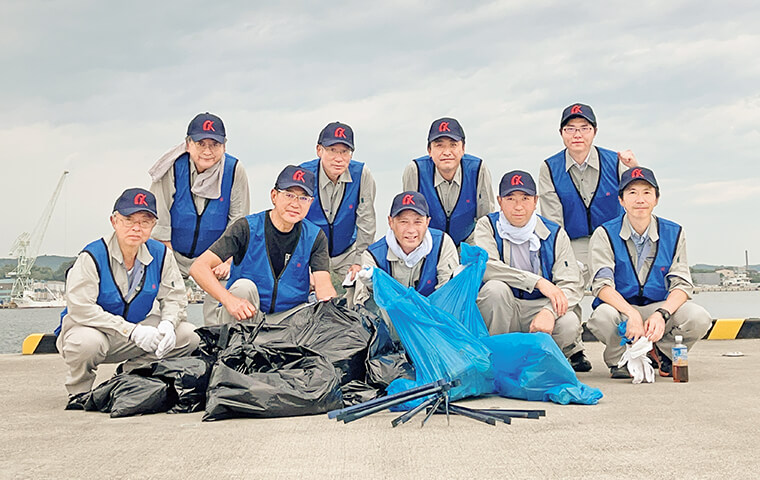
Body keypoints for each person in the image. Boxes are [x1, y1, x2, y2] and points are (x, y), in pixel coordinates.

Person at [56, 188, 199, 401]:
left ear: (153, 226)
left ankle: (127, 375)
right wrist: (131, 331)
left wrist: (168, 323)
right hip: (96, 331)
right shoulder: (92, 255)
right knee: (86, 343)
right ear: (114, 221)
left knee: (189, 335)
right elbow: (81, 308)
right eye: (128, 219)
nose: (136, 227)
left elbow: (174, 297)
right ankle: (79, 392)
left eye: (144, 221)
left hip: (135, 331)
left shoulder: (161, 255)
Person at [586, 167, 712, 378]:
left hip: (658, 306)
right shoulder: (604, 233)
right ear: (621, 200)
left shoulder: (674, 232)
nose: (640, 199)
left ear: (656, 198)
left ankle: (662, 352)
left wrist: (662, 314)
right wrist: (631, 313)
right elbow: (601, 285)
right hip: (622, 308)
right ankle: (620, 360)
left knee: (699, 317)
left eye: (646, 192)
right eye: (632, 192)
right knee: (601, 317)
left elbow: (681, 285)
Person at [473, 171, 592, 372]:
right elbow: (488, 267)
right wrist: (537, 282)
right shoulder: (488, 226)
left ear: (536, 201)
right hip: (507, 307)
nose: (518, 206)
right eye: (511, 199)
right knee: (494, 289)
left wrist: (549, 311)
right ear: (500, 201)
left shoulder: (554, 233)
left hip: (538, 308)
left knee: (569, 321)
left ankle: (537, 364)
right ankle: (497, 361)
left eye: (525, 198)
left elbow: (572, 283)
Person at [190, 165, 336, 324]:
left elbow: (324, 287)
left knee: (319, 312)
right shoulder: (246, 227)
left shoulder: (315, 236)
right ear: (274, 196)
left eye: (303, 198)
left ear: (310, 202)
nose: (295, 204)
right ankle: (234, 345)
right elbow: (198, 268)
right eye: (289, 195)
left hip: (289, 317)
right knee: (243, 288)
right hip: (249, 312)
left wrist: (338, 316)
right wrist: (229, 300)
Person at [149, 112, 250, 325]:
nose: (207, 151)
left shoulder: (234, 171)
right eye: (200, 143)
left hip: (214, 256)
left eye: (214, 144)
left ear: (224, 145)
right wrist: (168, 260)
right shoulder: (172, 168)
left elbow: (238, 221)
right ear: (188, 144)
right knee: (164, 305)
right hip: (173, 250)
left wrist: (227, 258)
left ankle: (219, 348)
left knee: (221, 306)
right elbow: (159, 217)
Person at [538, 103, 638, 275]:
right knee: (567, 277)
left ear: (595, 131)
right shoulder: (550, 167)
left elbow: (640, 200)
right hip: (574, 243)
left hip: (617, 240)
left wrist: (634, 168)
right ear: (561, 132)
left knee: (623, 281)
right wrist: (562, 257)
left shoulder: (615, 162)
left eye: (585, 128)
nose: (577, 135)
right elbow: (554, 220)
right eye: (570, 129)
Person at [354, 191, 459, 333]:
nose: (410, 230)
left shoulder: (442, 244)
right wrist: (372, 287)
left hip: (433, 327)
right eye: (403, 221)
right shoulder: (373, 255)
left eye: (417, 221)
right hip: (393, 330)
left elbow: (448, 295)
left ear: (427, 222)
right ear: (391, 222)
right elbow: (364, 308)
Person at [300, 122, 376, 290]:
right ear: (319, 150)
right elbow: (294, 223)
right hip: (311, 253)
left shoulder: (362, 174)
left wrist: (359, 261)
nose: (339, 158)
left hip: (348, 250)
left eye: (344, 151)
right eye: (332, 150)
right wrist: (303, 264)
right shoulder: (304, 174)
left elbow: (367, 221)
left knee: (366, 284)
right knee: (299, 289)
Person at [402, 117, 496, 246]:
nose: (446, 152)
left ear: (463, 148)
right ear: (429, 150)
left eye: (453, 145)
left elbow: (486, 219)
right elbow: (410, 218)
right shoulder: (415, 170)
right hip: (429, 244)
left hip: (468, 242)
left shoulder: (478, 169)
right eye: (439, 145)